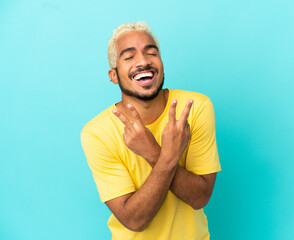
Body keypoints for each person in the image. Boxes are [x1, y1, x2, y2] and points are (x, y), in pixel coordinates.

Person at [81, 21, 221, 240]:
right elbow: (135, 220)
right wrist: (166, 157)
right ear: (114, 75)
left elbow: (200, 197)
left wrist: (152, 153)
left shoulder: (194, 108)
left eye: (151, 53)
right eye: (129, 57)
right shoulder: (96, 133)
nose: (143, 61)